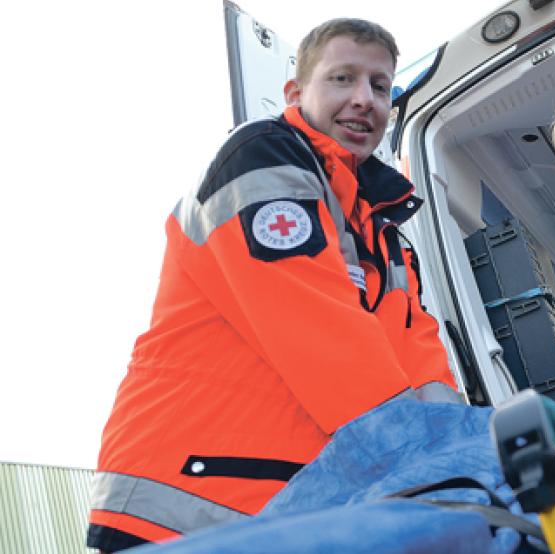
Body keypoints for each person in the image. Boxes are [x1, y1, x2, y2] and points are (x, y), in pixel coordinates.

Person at [85, 19, 461, 551]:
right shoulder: (260, 158)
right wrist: (443, 472)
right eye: (342, 78)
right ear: (294, 92)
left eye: (379, 86)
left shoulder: (386, 238)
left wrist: (475, 457)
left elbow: (423, 362)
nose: (363, 99)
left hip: (294, 511)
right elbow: (321, 340)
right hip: (181, 507)